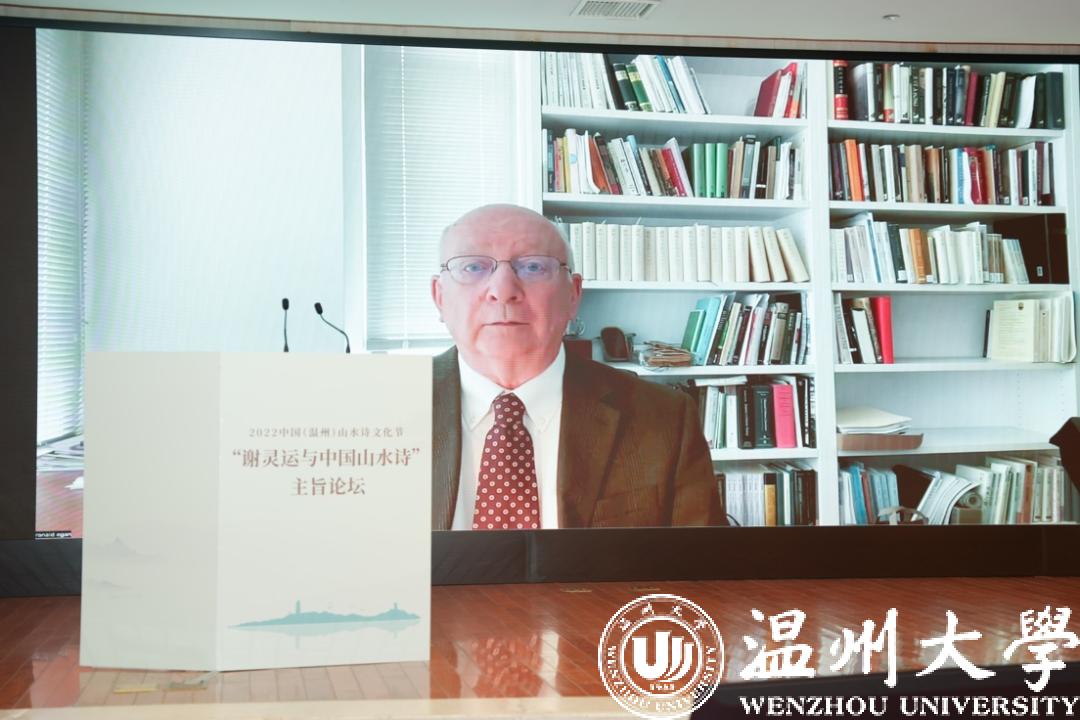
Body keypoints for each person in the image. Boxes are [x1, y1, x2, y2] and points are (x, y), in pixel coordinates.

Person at [430, 204, 722, 530]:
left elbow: (703, 559)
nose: (503, 291)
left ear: (573, 294)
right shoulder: (387, 409)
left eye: (533, 267)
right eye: (472, 267)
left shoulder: (666, 417)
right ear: (439, 296)